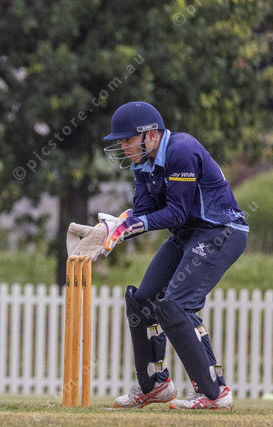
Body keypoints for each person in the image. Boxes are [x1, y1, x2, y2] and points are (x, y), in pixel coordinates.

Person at [76, 101, 248, 410]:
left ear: (151, 135)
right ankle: (155, 385)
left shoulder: (182, 150)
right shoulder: (143, 163)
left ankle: (215, 393)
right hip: (187, 233)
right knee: (142, 300)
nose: (123, 146)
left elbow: (177, 213)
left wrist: (129, 225)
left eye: (128, 139)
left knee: (177, 305)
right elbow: (143, 212)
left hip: (221, 231)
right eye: (121, 141)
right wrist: (112, 228)